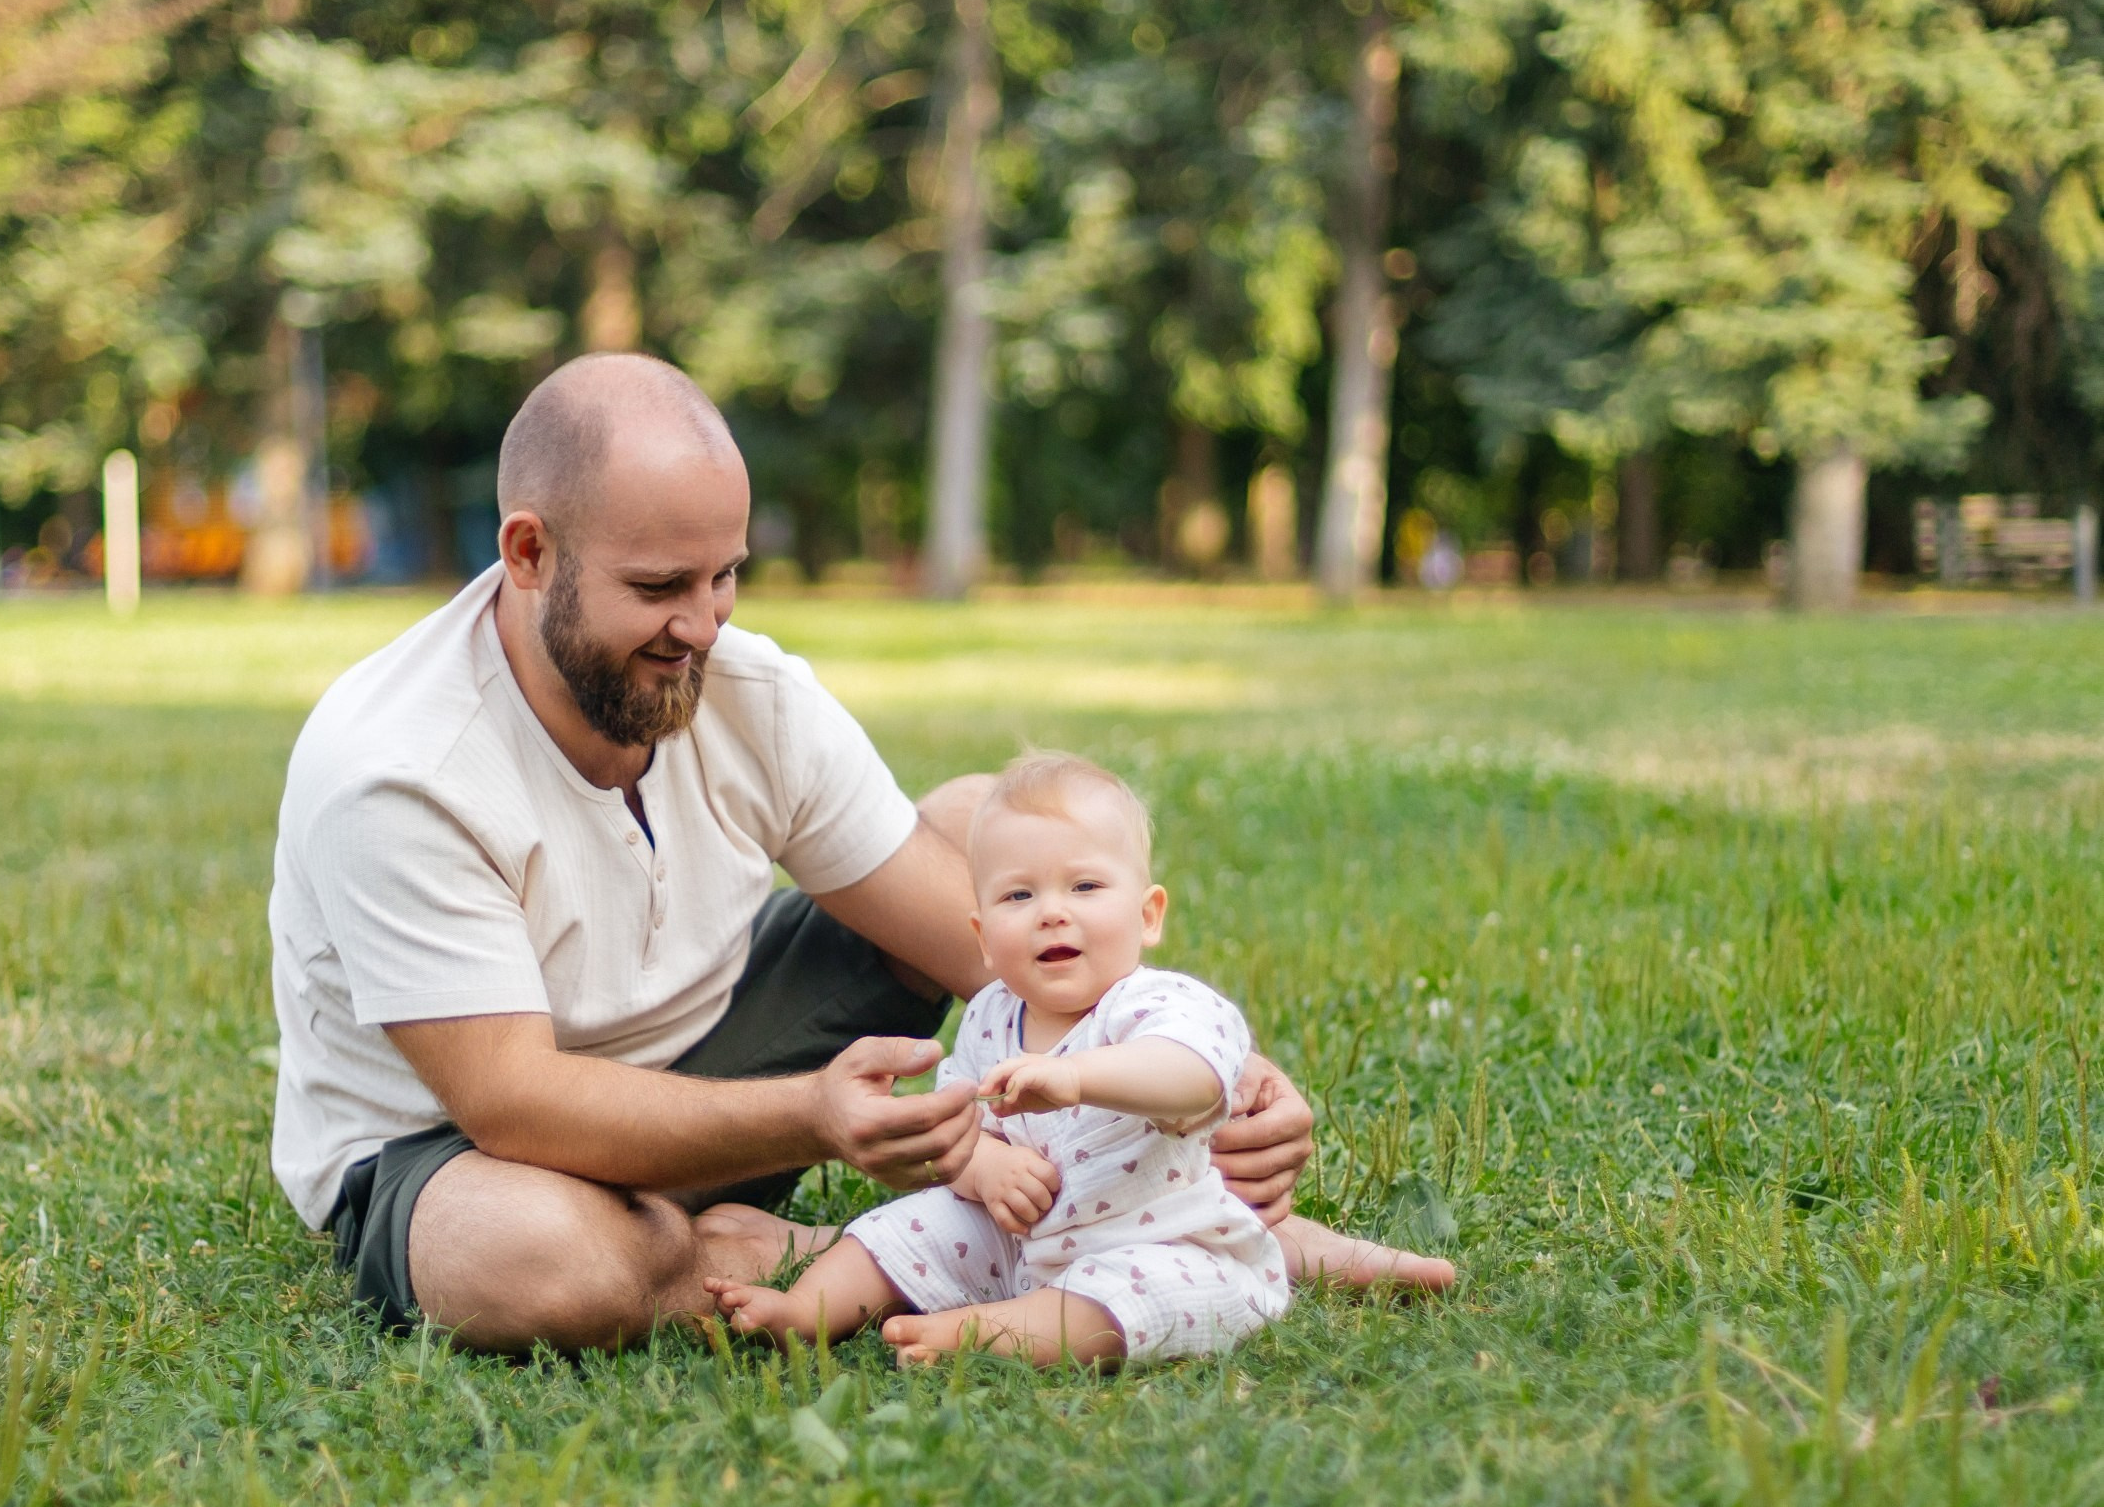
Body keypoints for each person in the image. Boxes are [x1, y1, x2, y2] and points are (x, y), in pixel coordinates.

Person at [266, 351, 1452, 1353]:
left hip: (704, 1044)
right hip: (464, 1152)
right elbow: (513, 1099)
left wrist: (1214, 1076)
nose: (703, 625)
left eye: (726, 574)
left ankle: (1127, 1221)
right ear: (527, 554)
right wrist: (813, 1118)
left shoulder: (747, 688)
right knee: (544, 1263)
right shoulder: (400, 767)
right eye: (658, 586)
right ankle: (757, 1255)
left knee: (988, 824)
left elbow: (984, 939)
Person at [708, 751, 1304, 1367]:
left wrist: (1076, 1077)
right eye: (1018, 895)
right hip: (1020, 1243)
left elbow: (1191, 1079)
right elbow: (960, 1133)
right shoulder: (992, 1016)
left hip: (1162, 1244)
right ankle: (808, 1311)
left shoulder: (1162, 1004)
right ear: (984, 938)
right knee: (910, 1223)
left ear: (1148, 914)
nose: (1052, 911)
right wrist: (985, 1166)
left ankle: (987, 1331)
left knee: (1138, 1293)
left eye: (1086, 886)